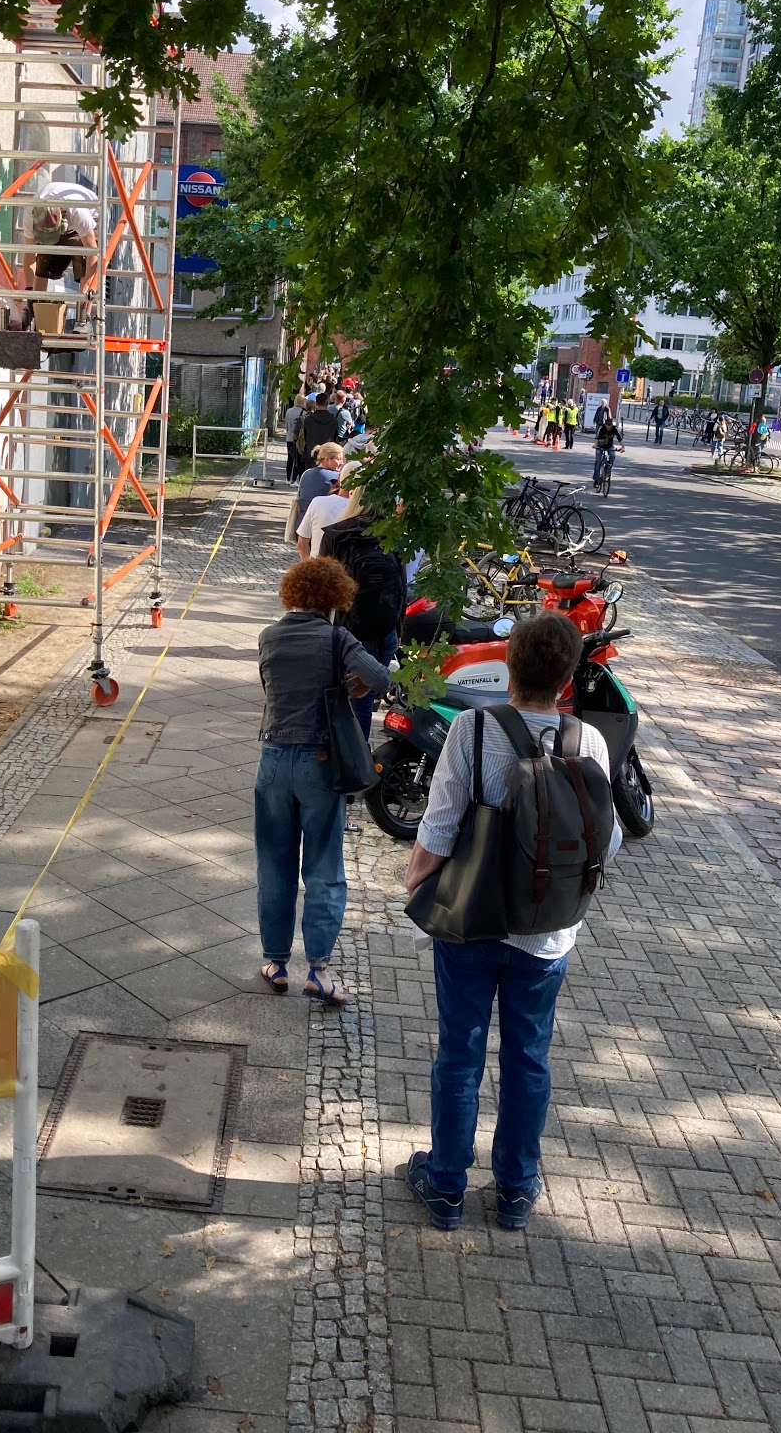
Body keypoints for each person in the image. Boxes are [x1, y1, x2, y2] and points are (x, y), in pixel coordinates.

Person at [401, 613, 622, 1231]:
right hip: (547, 930)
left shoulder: (472, 729)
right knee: (529, 1057)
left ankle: (446, 1187)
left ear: (508, 665)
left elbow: (440, 825)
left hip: (470, 919)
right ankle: (516, 1190)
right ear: (567, 676)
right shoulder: (589, 741)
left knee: (459, 1054)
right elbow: (608, 838)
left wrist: (415, 882)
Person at [255, 558, 393, 1005]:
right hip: (318, 762)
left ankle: (276, 963)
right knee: (324, 868)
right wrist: (353, 684)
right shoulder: (337, 638)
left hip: (273, 759)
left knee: (274, 865)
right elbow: (381, 676)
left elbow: (272, 688)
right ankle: (318, 970)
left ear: (291, 593)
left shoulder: (269, 636)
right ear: (337, 596)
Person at [320, 492, 407, 741]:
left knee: (337, 698)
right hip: (384, 632)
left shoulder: (336, 534)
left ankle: (345, 754)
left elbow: (323, 588)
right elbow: (402, 587)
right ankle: (359, 754)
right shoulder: (391, 534)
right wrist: (398, 631)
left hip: (348, 631)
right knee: (364, 700)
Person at [22, 179, 99, 314]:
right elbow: (29, 253)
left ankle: (83, 318)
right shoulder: (31, 213)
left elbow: (92, 252)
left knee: (84, 266)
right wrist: (30, 290)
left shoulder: (78, 212)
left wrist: (86, 290)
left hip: (87, 227)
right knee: (43, 264)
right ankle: (36, 313)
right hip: (62, 221)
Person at [297, 461, 358, 559]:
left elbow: (302, 543)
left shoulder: (318, 502)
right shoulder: (362, 511)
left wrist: (308, 566)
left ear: (339, 479)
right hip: (346, 567)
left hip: (318, 564)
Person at [296, 444, 344, 528]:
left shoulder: (306, 473)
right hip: (323, 525)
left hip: (301, 524)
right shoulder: (336, 477)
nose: (342, 463)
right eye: (339, 459)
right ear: (327, 460)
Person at [296, 393, 340, 473]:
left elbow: (306, 437)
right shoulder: (333, 421)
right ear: (327, 404)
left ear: (316, 404)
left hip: (311, 454)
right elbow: (335, 438)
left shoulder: (308, 420)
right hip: (327, 456)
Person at [593, 411, 622, 488]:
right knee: (598, 462)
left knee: (612, 456)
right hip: (600, 446)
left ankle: (607, 471)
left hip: (609, 446)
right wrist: (595, 445)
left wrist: (623, 447)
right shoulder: (602, 428)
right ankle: (596, 479)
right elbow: (597, 437)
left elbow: (619, 438)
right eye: (607, 425)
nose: (608, 427)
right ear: (605, 424)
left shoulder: (614, 429)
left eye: (610, 425)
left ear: (612, 425)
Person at [284, 394, 307, 484]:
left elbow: (286, 425)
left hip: (289, 437)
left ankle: (287, 478)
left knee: (290, 458)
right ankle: (293, 480)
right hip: (298, 440)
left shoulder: (288, 411)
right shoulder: (303, 413)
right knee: (297, 460)